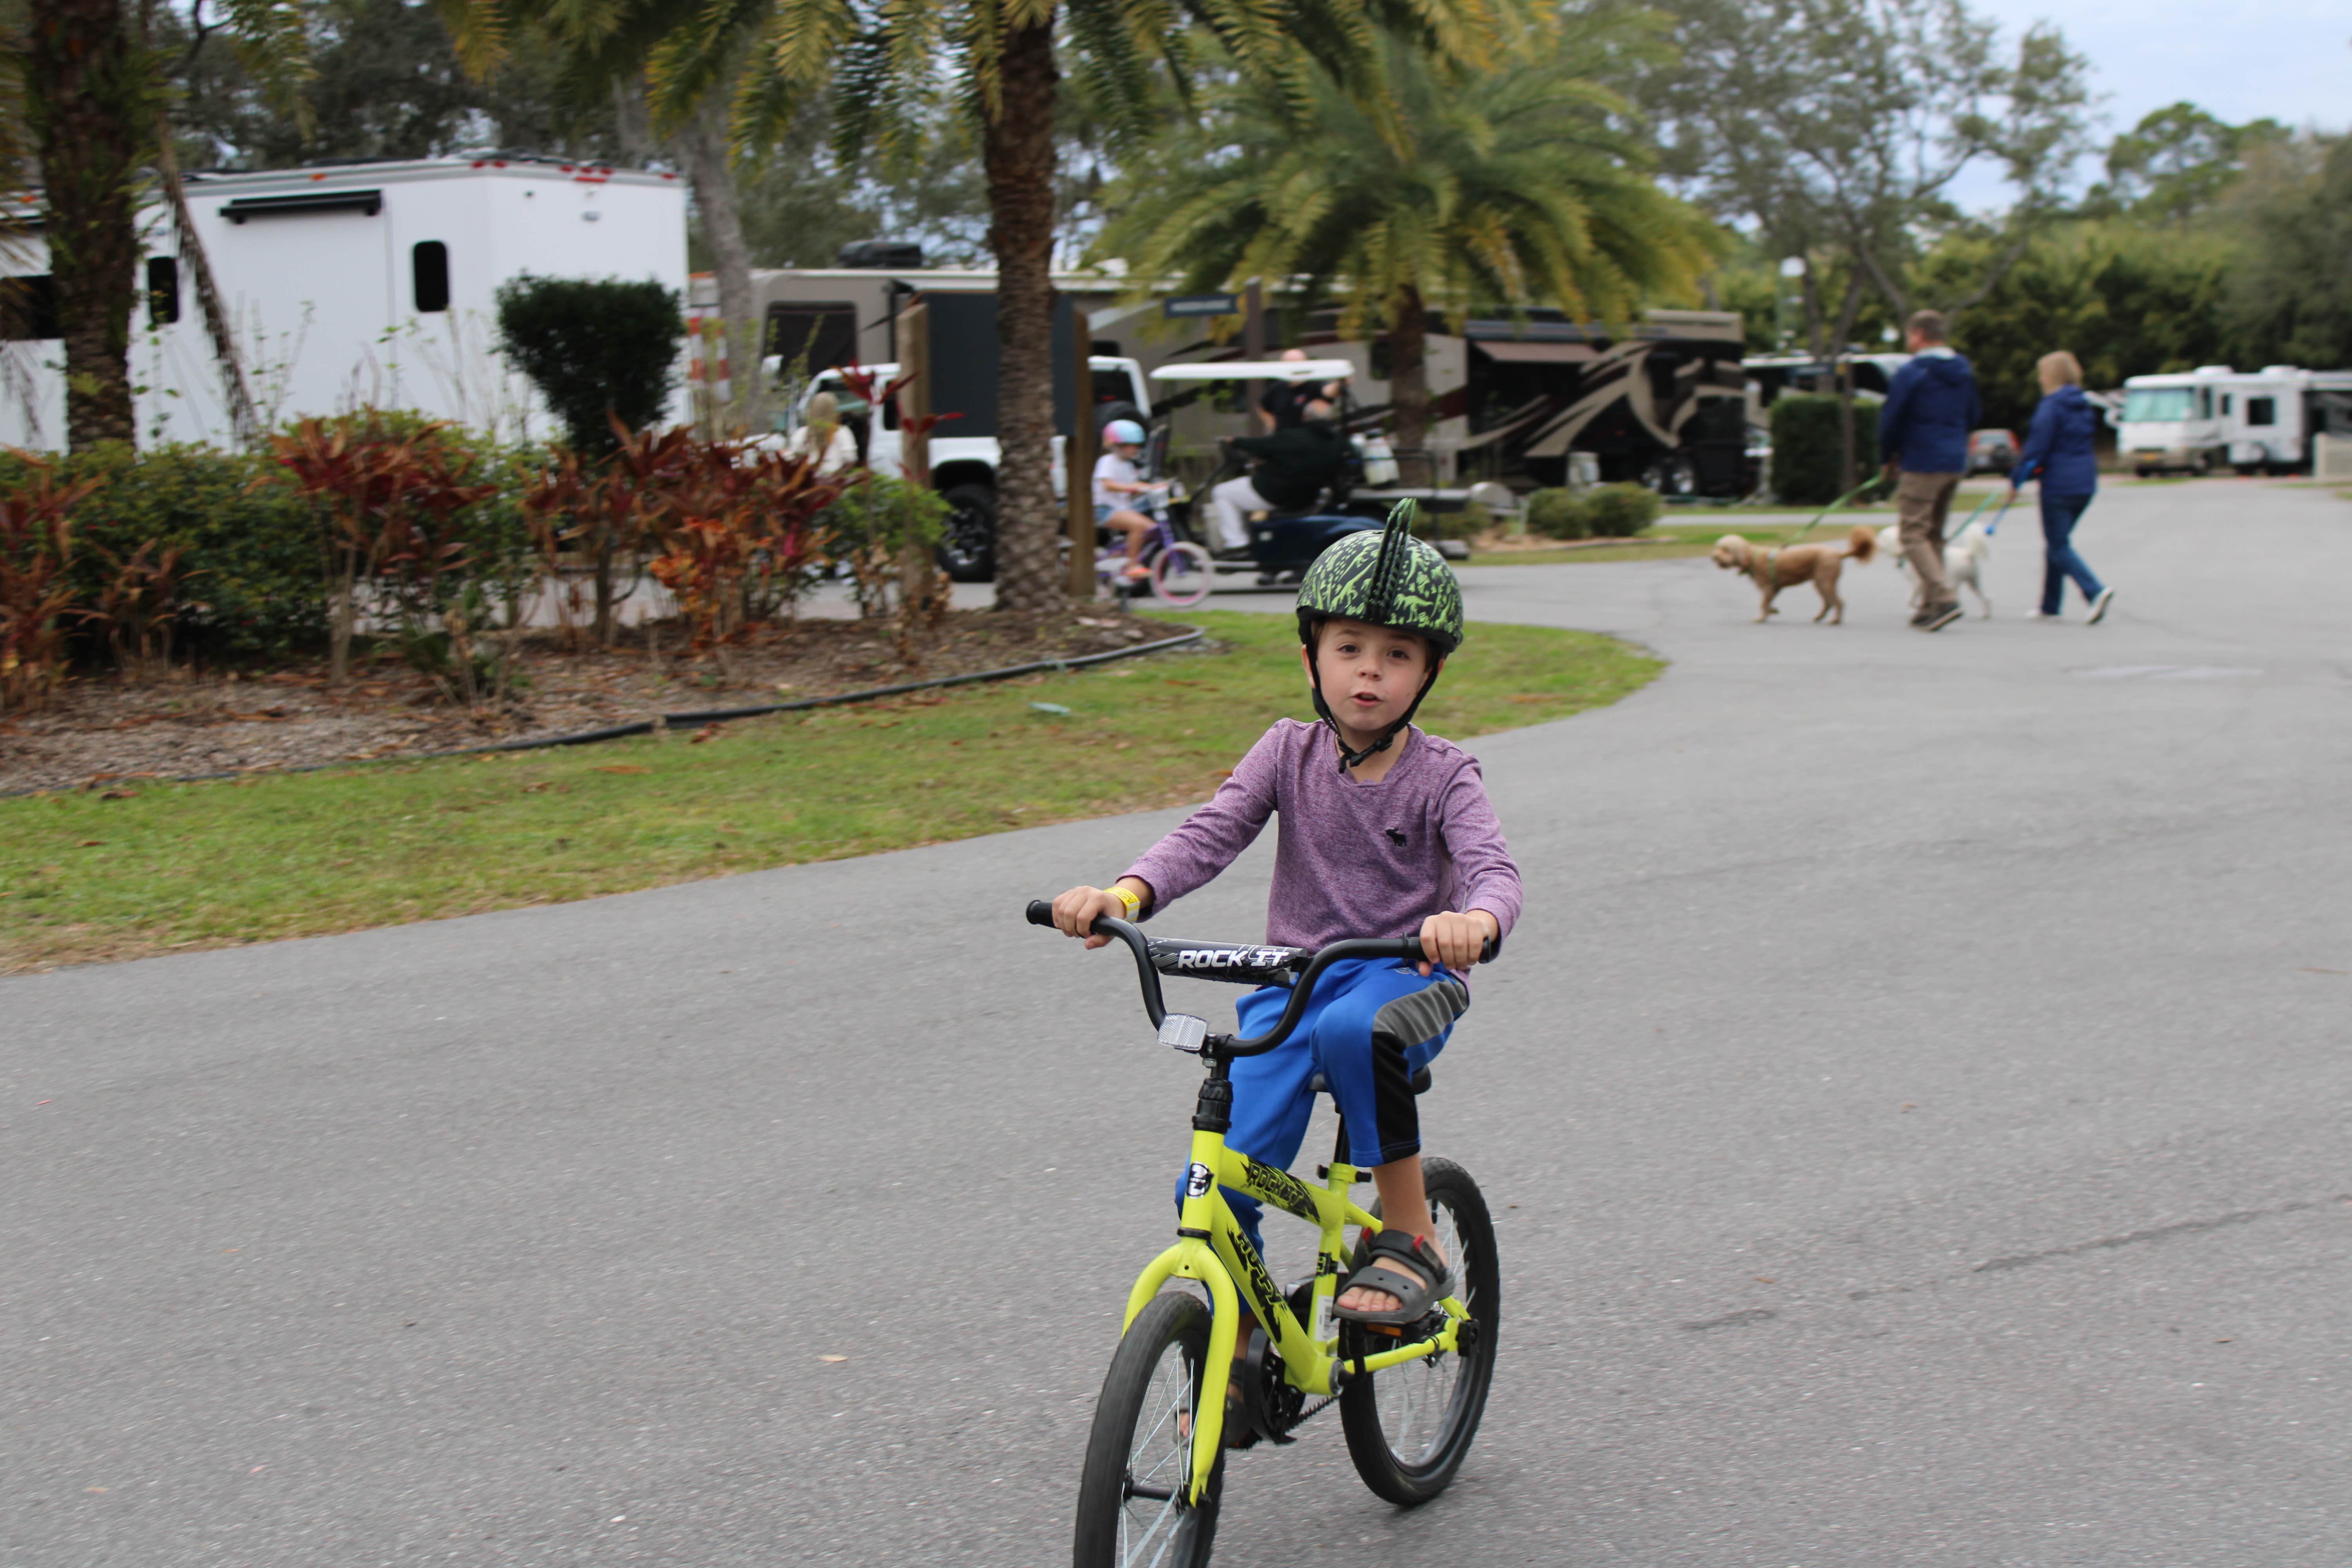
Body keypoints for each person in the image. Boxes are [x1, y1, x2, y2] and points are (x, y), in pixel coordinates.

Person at [1049, 506, 1521, 1347]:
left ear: (1429, 673)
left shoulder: (1446, 775)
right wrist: (1125, 894)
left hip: (1405, 978)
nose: (1368, 673)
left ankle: (1410, 1230)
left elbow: (1494, 870)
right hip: (1293, 982)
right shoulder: (1285, 750)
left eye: (1396, 655)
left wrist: (1473, 920)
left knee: (1354, 1027)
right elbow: (1209, 833)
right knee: (1218, 1172)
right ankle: (1242, 1345)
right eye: (1349, 650)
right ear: (1311, 657)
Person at [1878, 309, 1982, 632]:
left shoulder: (1914, 372)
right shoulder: (1963, 371)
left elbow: (1891, 418)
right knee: (1934, 533)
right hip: (1954, 459)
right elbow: (1975, 413)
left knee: (1912, 533)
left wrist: (1888, 457)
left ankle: (1944, 595)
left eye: (1910, 336)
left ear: (1919, 335)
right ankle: (1930, 606)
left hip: (1922, 459)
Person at [2010, 350, 2115, 624]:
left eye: (2043, 373)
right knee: (2057, 543)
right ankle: (2050, 605)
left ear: (2052, 376)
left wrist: (2017, 478)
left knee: (2058, 544)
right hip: (2085, 483)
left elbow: (2037, 448)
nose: (2041, 379)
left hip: (2059, 485)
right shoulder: (2082, 404)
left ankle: (2094, 591)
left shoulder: (2051, 406)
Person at [1210, 397, 1348, 553]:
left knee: (1222, 492)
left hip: (1276, 494)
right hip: (1309, 496)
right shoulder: (1337, 441)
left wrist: (1234, 441)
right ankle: (1249, 536)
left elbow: (1260, 446)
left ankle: (1237, 544)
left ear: (1305, 417)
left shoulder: (1291, 437)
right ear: (1329, 418)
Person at [1092, 419, 1162, 581]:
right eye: (1132, 445)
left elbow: (1134, 486)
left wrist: (1153, 488)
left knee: (1152, 529)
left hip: (1120, 508)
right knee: (1138, 526)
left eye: (1137, 445)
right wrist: (1134, 488)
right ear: (1119, 445)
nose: (1136, 449)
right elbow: (1108, 485)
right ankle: (1132, 566)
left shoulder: (1128, 465)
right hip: (1104, 509)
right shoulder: (1107, 461)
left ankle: (1120, 554)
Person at [1257, 347, 1342, 432]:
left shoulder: (1315, 384)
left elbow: (1329, 391)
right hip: (1284, 440)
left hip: (1310, 440)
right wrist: (1271, 424)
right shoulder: (1278, 387)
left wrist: (1340, 384)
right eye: (1289, 363)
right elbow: (1262, 406)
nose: (1294, 366)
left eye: (1297, 362)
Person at [783, 390, 857, 475]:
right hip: (833, 481)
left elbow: (792, 458)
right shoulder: (841, 432)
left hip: (809, 482)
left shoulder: (802, 433)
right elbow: (850, 458)